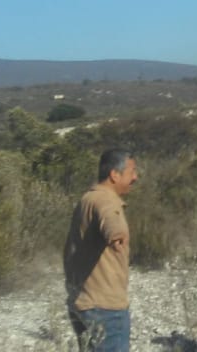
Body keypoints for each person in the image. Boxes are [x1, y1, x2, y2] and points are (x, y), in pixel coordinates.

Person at [64, 149, 139, 352]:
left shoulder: (87, 199)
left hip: (81, 302)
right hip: (104, 308)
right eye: (132, 171)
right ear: (114, 175)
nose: (135, 177)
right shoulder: (106, 200)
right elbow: (111, 221)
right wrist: (117, 234)